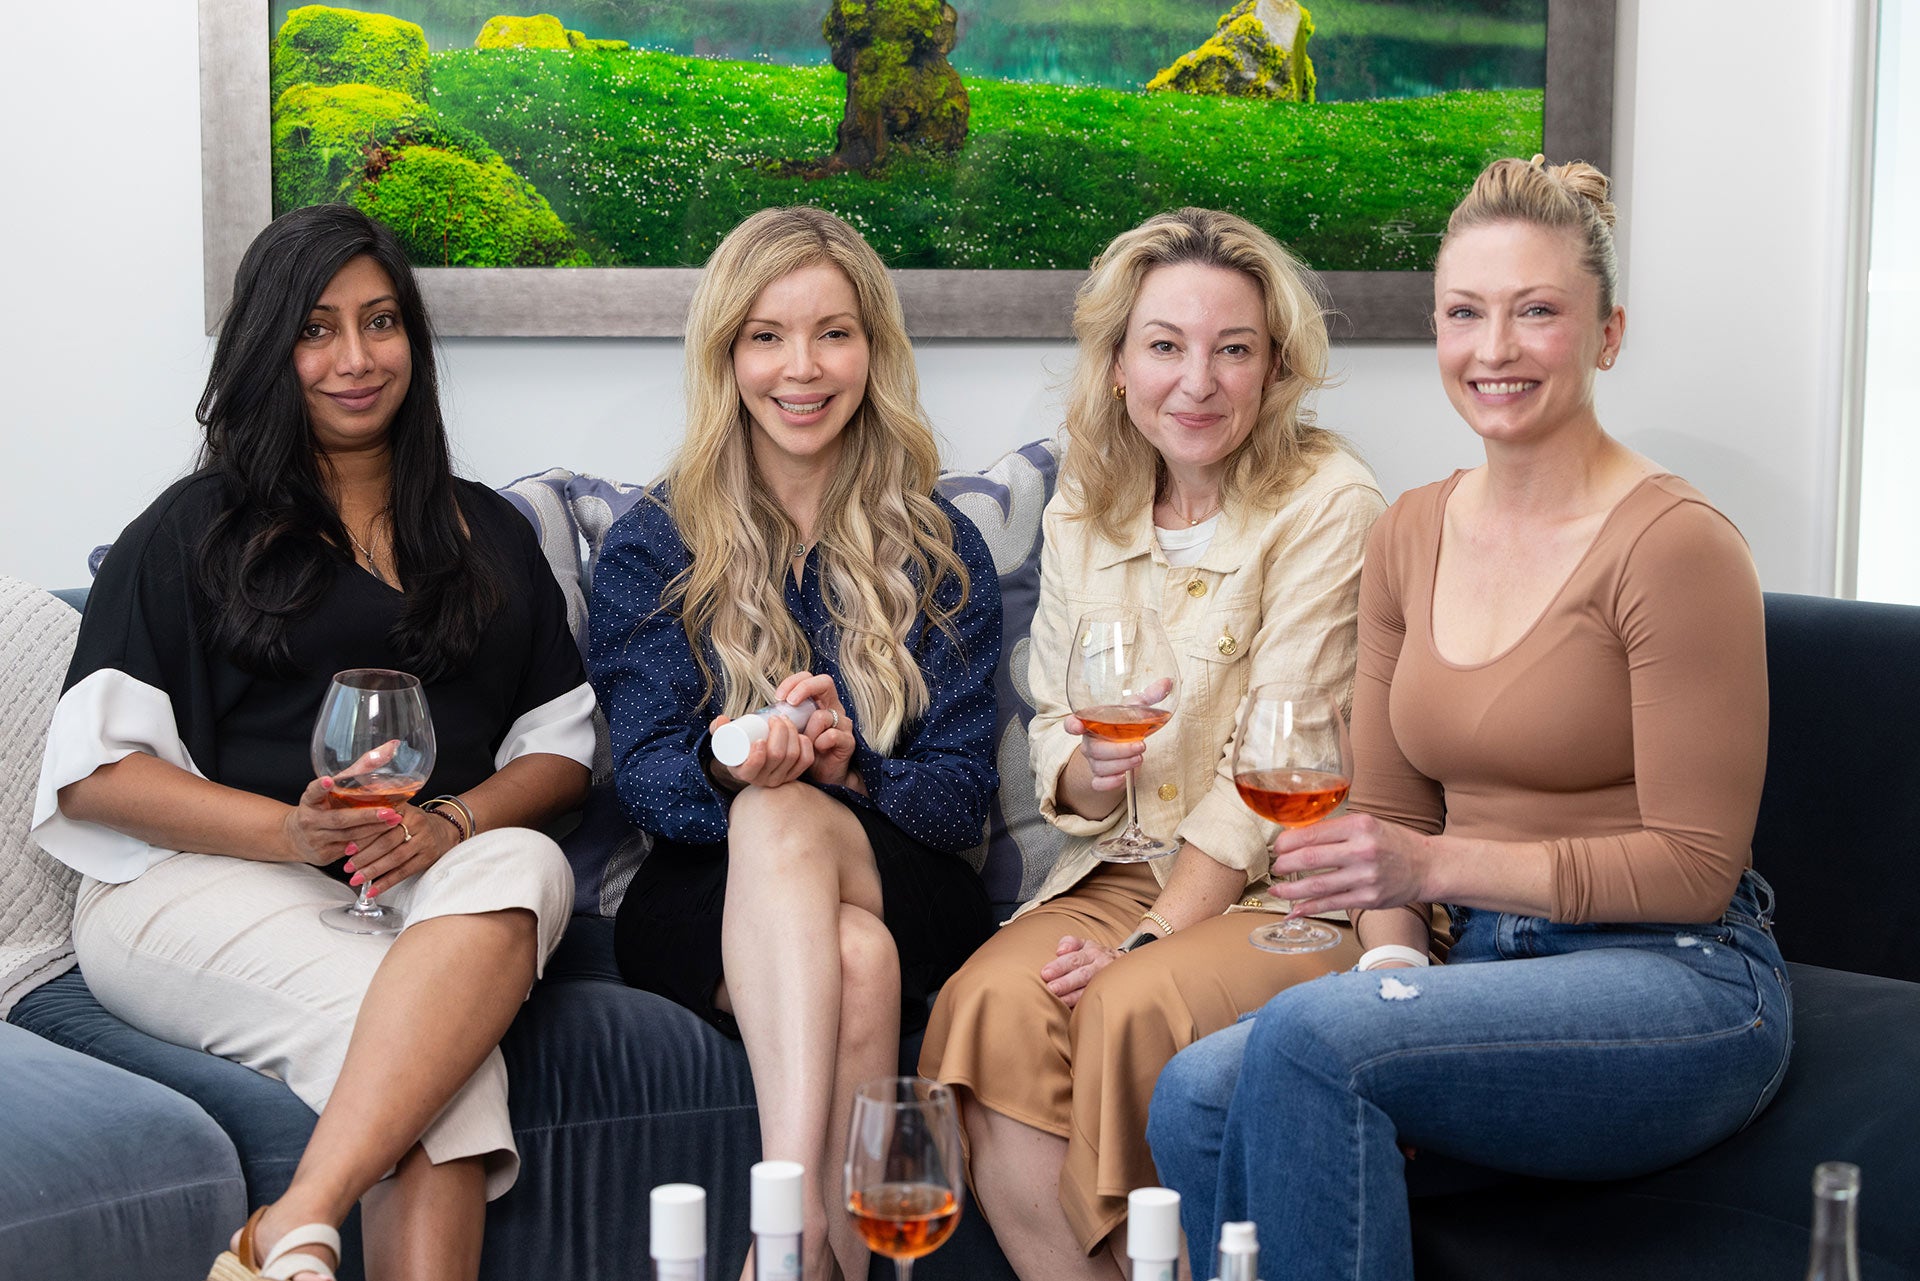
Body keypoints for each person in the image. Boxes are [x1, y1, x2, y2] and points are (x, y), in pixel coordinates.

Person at [1147, 157, 1793, 1279]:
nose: (1494, 349)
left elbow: (1694, 866)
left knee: (1305, 1045)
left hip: (1680, 980)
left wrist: (1431, 870)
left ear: (1608, 335)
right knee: (1196, 1092)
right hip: (1487, 968)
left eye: (1536, 312)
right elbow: (1386, 819)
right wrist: (1387, 972)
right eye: (1465, 314)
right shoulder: (1410, 531)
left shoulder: (1678, 545)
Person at [31, 205, 596, 1281]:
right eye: (318, 328)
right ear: (269, 348)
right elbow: (97, 776)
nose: (354, 358)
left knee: (524, 861)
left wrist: (452, 823)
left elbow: (563, 753)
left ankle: (287, 1225)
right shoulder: (192, 529)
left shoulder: (489, 534)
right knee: (435, 1058)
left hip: (426, 887)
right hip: (198, 883)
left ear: (414, 346)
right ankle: (297, 1230)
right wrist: (290, 834)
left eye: (380, 323)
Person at [918, 207, 1386, 1281]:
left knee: (1127, 1001)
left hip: (1290, 889)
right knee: (983, 1005)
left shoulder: (1330, 501)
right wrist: (1089, 770)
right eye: (1166, 346)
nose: (1199, 381)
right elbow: (1052, 723)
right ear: (1119, 363)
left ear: (1276, 370)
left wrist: (1149, 941)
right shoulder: (1090, 499)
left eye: (1234, 350)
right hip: (1120, 868)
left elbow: (1278, 769)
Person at [587, 205, 1001, 1281]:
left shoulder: (941, 547)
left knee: (802, 824)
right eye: (767, 335)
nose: (801, 368)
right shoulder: (655, 545)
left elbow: (961, 802)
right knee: (850, 955)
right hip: (707, 890)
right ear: (726, 356)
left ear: (874, 350)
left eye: (833, 333)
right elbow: (649, 785)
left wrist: (845, 768)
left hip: (905, 876)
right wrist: (736, 759)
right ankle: (819, 1258)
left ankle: (786, 1240)